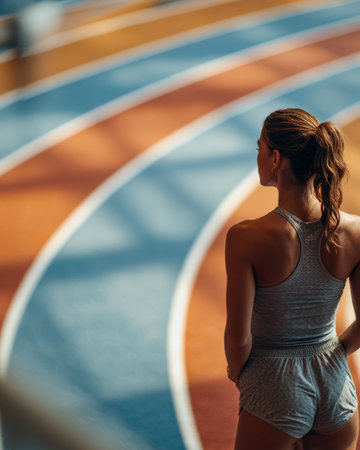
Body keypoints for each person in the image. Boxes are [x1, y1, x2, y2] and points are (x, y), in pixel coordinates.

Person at [224, 108, 360, 450]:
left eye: (259, 147)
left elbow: (238, 340)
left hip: (273, 384)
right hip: (336, 387)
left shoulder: (246, 237)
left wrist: (241, 372)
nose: (257, 155)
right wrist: (331, 354)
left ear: (275, 159)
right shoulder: (355, 230)